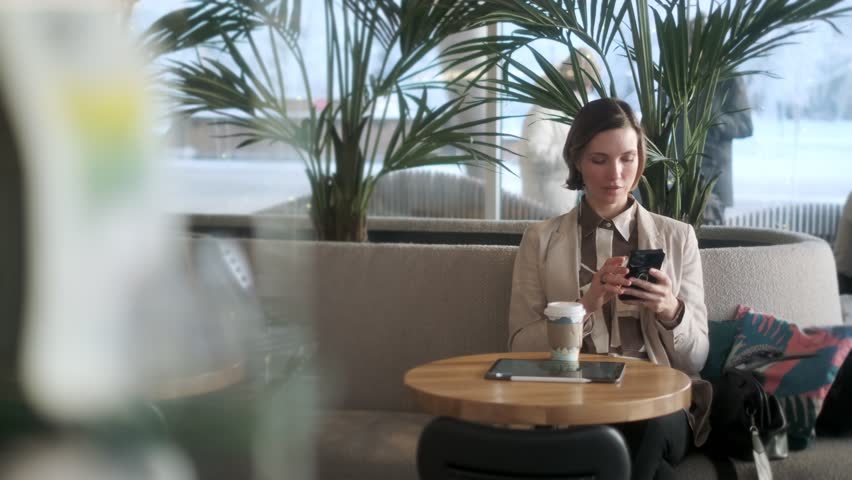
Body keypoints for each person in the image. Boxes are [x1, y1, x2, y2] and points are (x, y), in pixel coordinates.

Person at [508, 98, 710, 480]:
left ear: (640, 160)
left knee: (640, 426)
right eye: (599, 159)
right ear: (578, 161)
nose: (616, 174)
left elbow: (696, 359)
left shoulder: (678, 238)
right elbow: (519, 346)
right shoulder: (539, 239)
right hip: (575, 398)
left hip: (658, 401)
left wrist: (671, 310)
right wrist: (584, 305)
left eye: (627, 158)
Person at [520, 52, 597, 214]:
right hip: (546, 200)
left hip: (571, 198)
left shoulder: (581, 110)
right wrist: (578, 153)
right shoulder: (543, 110)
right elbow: (535, 153)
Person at [701, 76, 753, 224]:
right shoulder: (678, 67)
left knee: (711, 239)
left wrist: (713, 121)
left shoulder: (728, 75)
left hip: (713, 176)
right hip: (679, 177)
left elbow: (746, 125)